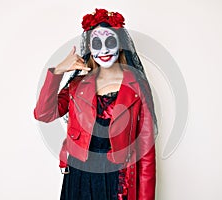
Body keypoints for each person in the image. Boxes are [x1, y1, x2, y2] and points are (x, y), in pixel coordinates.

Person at [34, 8, 158, 200]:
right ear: (90, 49)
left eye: (110, 42)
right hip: (79, 178)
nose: (104, 50)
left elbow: (147, 152)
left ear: (120, 44)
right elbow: (43, 113)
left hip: (117, 180)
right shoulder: (77, 85)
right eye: (97, 43)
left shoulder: (138, 86)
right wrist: (58, 71)